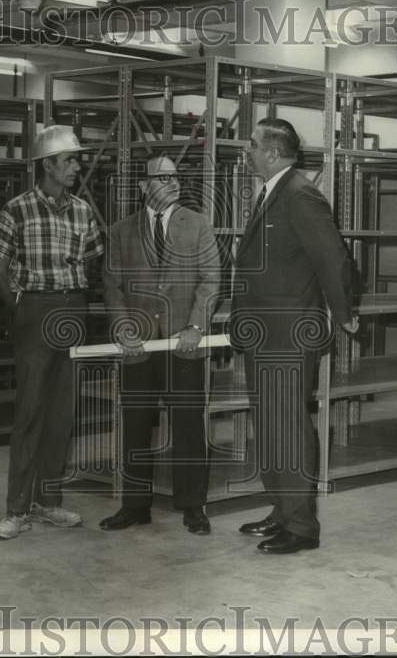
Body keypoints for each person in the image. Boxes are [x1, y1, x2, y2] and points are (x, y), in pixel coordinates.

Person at [230, 118, 359, 554]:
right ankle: (283, 509)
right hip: (264, 334)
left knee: (287, 426)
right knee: (269, 426)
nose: (246, 150)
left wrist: (343, 313)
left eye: (252, 143)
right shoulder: (273, 192)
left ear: (271, 152)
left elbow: (333, 257)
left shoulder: (300, 195)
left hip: (288, 335)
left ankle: (302, 527)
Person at [0, 125, 105, 541]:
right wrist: (19, 305)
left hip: (72, 308)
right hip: (34, 309)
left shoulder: (82, 211)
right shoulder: (16, 209)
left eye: (77, 159)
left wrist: (75, 300)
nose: (77, 166)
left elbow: (92, 263)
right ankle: (16, 508)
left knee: (61, 411)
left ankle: (48, 501)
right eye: (69, 160)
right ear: (47, 165)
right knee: (31, 411)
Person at [99, 156, 221, 535]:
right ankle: (134, 506)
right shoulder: (121, 231)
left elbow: (210, 279)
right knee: (135, 425)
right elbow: (112, 286)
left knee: (187, 426)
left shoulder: (197, 224)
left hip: (183, 345)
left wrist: (195, 326)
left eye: (175, 177)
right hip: (138, 348)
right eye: (162, 177)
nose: (172, 183)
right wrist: (122, 327)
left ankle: (193, 507)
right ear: (143, 186)